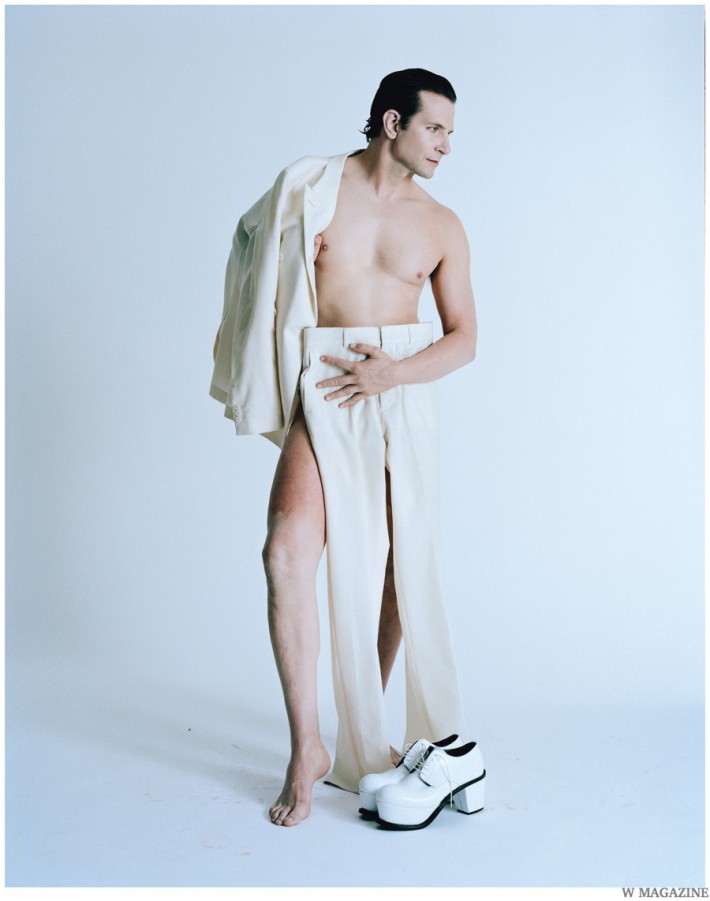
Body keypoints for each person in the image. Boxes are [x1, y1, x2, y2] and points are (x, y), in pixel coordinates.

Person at [210, 69, 479, 828]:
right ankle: (308, 747)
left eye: (450, 134)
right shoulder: (313, 190)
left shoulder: (442, 224)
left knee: (398, 564)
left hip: (400, 391)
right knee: (286, 550)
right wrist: (295, 257)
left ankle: (365, 720)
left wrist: (394, 373)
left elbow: (465, 338)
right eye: (435, 129)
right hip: (326, 385)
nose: (446, 146)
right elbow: (250, 241)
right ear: (393, 123)